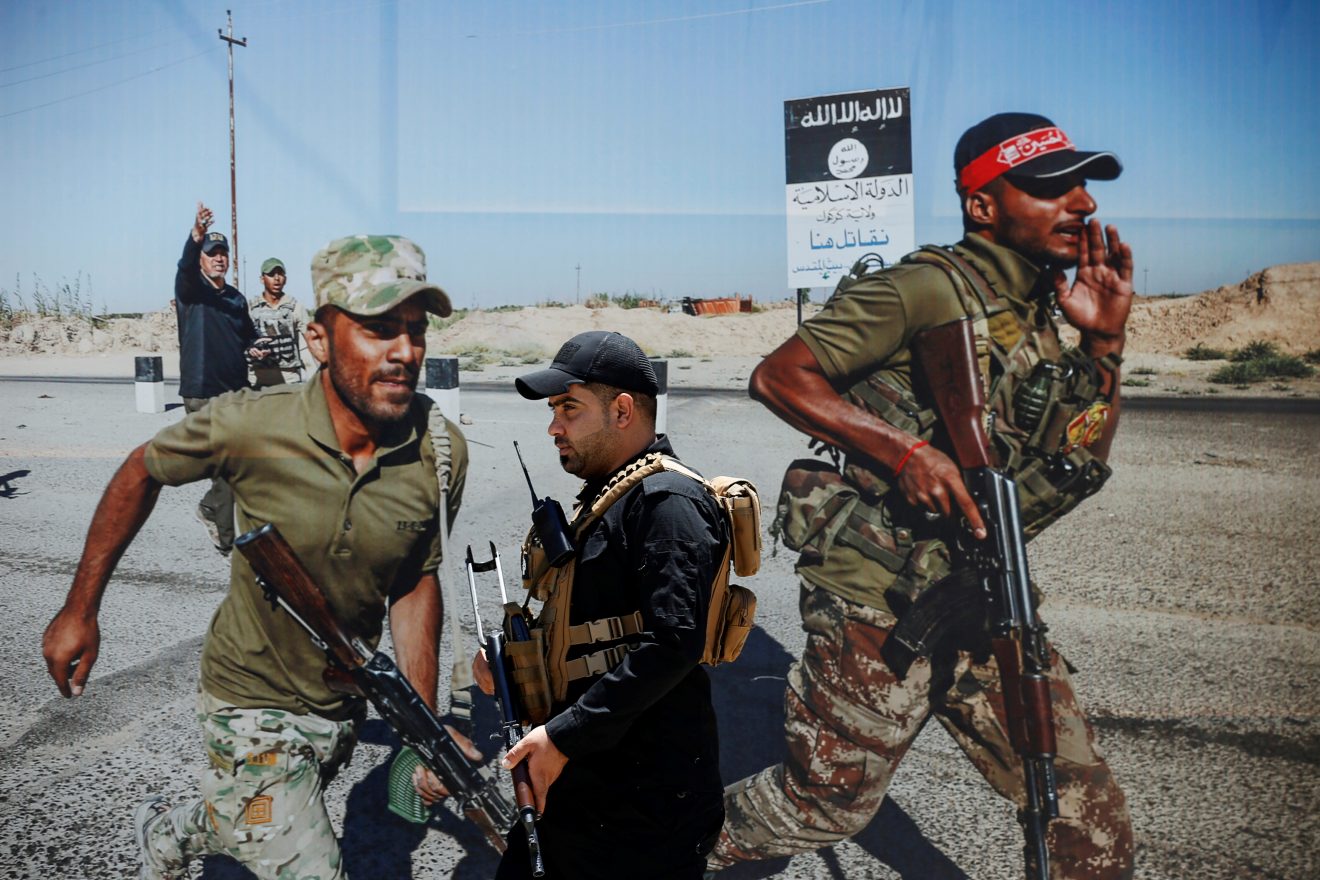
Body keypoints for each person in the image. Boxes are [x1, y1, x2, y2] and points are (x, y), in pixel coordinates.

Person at [710, 113, 1136, 879]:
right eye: (1051, 188)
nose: (1082, 204)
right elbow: (779, 376)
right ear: (983, 204)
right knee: (824, 804)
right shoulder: (925, 287)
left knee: (1083, 812)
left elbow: (1079, 457)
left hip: (983, 590)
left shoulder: (1037, 307)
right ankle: (629, 848)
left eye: (1082, 186)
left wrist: (1104, 345)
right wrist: (902, 452)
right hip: (880, 594)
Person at [42, 235, 471, 880]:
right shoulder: (251, 424)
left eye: (416, 330)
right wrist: (80, 608)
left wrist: (422, 726)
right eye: (379, 329)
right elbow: (142, 469)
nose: (405, 351)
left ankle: (169, 834)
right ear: (318, 340)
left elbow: (415, 578)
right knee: (307, 863)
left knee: (256, 814)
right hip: (246, 694)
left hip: (339, 703)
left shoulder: (440, 450)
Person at [476, 330, 727, 879]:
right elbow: (593, 630)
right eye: (553, 410)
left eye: (569, 407)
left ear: (622, 411)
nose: (554, 426)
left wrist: (563, 735)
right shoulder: (609, 497)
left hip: (642, 811)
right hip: (584, 792)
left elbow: (672, 645)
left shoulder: (667, 503)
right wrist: (515, 666)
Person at [174, 202, 258, 555]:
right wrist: (195, 237)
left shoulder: (236, 298)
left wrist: (256, 347)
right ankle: (225, 538)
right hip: (203, 392)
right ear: (201, 260)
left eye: (223, 253)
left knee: (244, 460)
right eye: (212, 253)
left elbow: (248, 336)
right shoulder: (191, 290)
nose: (219, 258)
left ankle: (213, 510)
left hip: (236, 392)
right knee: (229, 462)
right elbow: (184, 267)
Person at [248, 256, 308, 388]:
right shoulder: (250, 308)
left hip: (289, 378)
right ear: (262, 279)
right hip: (258, 378)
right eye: (271, 274)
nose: (276, 278)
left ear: (285, 279)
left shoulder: (295, 307)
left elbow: (311, 340)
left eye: (280, 274)